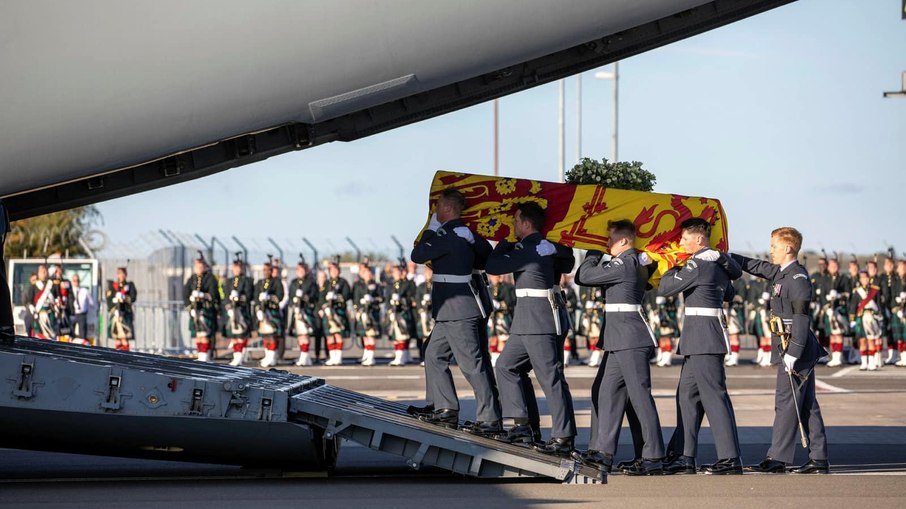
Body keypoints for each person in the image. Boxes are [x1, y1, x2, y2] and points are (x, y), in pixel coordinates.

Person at [732, 227, 829, 474]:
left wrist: (793, 353)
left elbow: (801, 319)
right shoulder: (781, 272)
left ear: (788, 248)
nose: (771, 250)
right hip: (791, 346)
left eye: (774, 246)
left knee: (786, 403)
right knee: (806, 404)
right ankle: (818, 458)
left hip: (797, 348)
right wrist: (725, 254)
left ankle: (778, 458)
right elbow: (754, 265)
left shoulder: (797, 278)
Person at [571, 219, 665, 475]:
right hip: (618, 338)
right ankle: (603, 451)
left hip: (630, 338)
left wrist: (592, 252)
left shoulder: (626, 263)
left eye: (611, 239)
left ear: (624, 240)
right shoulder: (630, 261)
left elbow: (584, 276)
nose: (608, 243)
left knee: (640, 397)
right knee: (604, 392)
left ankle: (654, 456)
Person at [486, 202, 577, 456]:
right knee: (506, 367)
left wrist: (501, 245)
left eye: (516, 221)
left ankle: (563, 436)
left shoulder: (530, 247)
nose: (514, 225)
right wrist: (558, 248)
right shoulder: (540, 247)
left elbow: (494, 267)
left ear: (526, 224)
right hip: (527, 320)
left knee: (550, 377)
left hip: (539, 320)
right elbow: (567, 260)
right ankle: (522, 425)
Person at [409, 188, 502, 431]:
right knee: (432, 353)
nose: (435, 210)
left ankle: (490, 418)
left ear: (448, 209)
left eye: (438, 206)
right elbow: (487, 255)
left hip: (458, 310)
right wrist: (473, 238)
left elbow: (417, 254)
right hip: (453, 309)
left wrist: (430, 229)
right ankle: (444, 408)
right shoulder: (464, 234)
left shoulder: (447, 235)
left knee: (472, 364)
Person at [658, 218, 743, 475]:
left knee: (714, 399)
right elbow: (729, 292)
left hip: (703, 338)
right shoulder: (714, 262)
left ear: (699, 240)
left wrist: (672, 264)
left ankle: (729, 458)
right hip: (700, 339)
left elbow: (665, 288)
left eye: (684, 238)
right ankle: (684, 455)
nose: (680, 243)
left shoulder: (698, 262)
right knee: (687, 397)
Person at [185, 254, 220, 361]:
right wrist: (189, 305)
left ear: (205, 267)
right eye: (197, 266)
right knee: (198, 335)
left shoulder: (210, 279)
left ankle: (205, 356)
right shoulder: (192, 279)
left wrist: (203, 295)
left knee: (205, 334)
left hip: (206, 310)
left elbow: (214, 295)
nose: (198, 269)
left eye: (200, 267)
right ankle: (202, 354)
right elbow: (185, 293)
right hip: (195, 310)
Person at [287, 259, 320, 366]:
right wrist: (294, 301)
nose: (300, 272)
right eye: (298, 270)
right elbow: (291, 296)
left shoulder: (311, 282)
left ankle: (304, 357)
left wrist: (305, 297)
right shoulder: (293, 282)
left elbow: (315, 296)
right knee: (300, 335)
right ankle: (305, 357)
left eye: (302, 270)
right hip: (296, 312)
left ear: (306, 270)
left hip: (306, 311)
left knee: (305, 334)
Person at [849, 270, 883, 371]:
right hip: (861, 318)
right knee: (862, 341)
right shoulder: (857, 291)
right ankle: (864, 362)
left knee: (871, 340)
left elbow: (878, 305)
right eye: (863, 278)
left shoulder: (875, 290)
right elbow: (853, 306)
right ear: (860, 279)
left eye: (866, 278)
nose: (865, 280)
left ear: (869, 279)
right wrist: (852, 319)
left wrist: (879, 317)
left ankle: (871, 363)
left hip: (872, 318)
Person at [319, 260, 351, 366]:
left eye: (335, 269)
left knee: (338, 334)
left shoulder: (343, 282)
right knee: (329, 335)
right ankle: (332, 357)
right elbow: (321, 297)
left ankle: (338, 357)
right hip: (328, 312)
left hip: (338, 310)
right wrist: (322, 307)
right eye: (331, 270)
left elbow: (346, 295)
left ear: (339, 271)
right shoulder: (327, 283)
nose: (333, 272)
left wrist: (336, 297)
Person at [224, 256, 254, 366]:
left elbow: (249, 295)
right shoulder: (229, 281)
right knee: (234, 336)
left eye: (239, 268)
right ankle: (236, 355)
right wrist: (228, 307)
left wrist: (239, 298)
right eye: (235, 268)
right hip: (232, 311)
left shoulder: (247, 281)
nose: (237, 270)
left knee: (241, 334)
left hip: (242, 310)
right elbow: (226, 296)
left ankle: (239, 356)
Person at [255, 260, 285, 367]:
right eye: (264, 270)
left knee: (272, 335)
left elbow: (280, 296)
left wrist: (270, 298)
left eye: (268, 270)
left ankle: (272, 357)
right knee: (265, 335)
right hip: (262, 313)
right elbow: (255, 298)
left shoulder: (276, 282)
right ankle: (268, 356)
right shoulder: (260, 283)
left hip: (272, 311)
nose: (266, 272)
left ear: (271, 271)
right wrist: (258, 309)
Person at [386, 262, 417, 366]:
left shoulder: (407, 284)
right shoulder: (391, 285)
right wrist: (389, 309)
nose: (395, 273)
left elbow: (412, 298)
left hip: (403, 312)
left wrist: (402, 300)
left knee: (402, 336)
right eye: (394, 272)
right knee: (396, 336)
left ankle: (400, 358)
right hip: (394, 313)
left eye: (396, 271)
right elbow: (387, 299)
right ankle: (400, 356)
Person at [353, 263, 383, 366]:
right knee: (365, 336)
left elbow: (382, 298)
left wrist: (373, 299)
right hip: (362, 312)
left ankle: (371, 357)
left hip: (372, 312)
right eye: (365, 273)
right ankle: (367, 355)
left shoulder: (376, 285)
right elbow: (355, 298)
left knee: (371, 335)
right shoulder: (359, 285)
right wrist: (358, 304)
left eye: (369, 273)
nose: (367, 275)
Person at [25, 264, 60, 340]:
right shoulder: (34, 286)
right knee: (40, 335)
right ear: (38, 273)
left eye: (45, 271)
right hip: (39, 314)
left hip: (51, 313)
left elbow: (57, 298)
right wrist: (33, 310)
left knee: (52, 335)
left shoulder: (53, 284)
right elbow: (30, 301)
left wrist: (57, 309)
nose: (44, 273)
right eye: (42, 272)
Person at [487, 273, 515, 367]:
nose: (494, 278)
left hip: (502, 317)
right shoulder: (489, 288)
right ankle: (494, 357)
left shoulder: (507, 288)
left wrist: (499, 305)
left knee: (502, 339)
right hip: (492, 317)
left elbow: (510, 302)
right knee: (492, 338)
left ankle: (501, 359)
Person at [578, 285, 605, 367]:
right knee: (590, 338)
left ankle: (595, 358)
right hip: (587, 314)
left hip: (596, 314)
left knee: (596, 337)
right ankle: (593, 357)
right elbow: (583, 299)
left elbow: (602, 299)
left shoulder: (599, 287)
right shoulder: (584, 287)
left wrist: (597, 305)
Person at [415, 266, 434, 361]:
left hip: (433, 314)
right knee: (424, 336)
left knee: (432, 336)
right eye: (427, 272)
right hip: (424, 314)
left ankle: (431, 357)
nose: (428, 274)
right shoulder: (421, 286)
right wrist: (421, 307)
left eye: (430, 272)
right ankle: (424, 357)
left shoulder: (435, 285)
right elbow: (417, 298)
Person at [69, 274, 95, 346]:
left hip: (82, 315)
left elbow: (91, 303)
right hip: (72, 314)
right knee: (71, 334)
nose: (76, 282)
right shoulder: (69, 291)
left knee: (82, 335)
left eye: (77, 280)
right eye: (74, 281)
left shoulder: (84, 291)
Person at [560, 274, 579, 365]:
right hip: (557, 316)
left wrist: (569, 303)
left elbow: (575, 301)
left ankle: (566, 359)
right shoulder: (554, 288)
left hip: (568, 316)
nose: (561, 279)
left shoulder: (570, 289)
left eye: (563, 277)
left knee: (568, 337)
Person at [893, 259, 906, 367]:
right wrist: (895, 307)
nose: (898, 269)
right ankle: (903, 357)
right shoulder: (896, 281)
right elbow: (892, 296)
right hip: (898, 312)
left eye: (901, 267)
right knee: (900, 336)